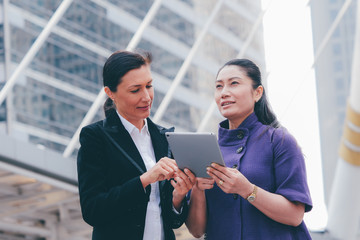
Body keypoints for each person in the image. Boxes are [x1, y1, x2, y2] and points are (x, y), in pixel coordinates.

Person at [185, 58, 313, 239]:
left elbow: (295, 216)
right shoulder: (206, 150)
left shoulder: (280, 141)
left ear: (257, 92)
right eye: (219, 86)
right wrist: (197, 189)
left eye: (234, 84)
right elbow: (197, 230)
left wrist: (247, 190)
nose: (224, 93)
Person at [77, 50, 195, 240]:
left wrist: (178, 196)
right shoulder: (95, 137)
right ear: (110, 93)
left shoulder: (165, 138)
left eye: (149, 86)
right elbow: (93, 210)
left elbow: (173, 222)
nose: (147, 97)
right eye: (135, 90)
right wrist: (145, 179)